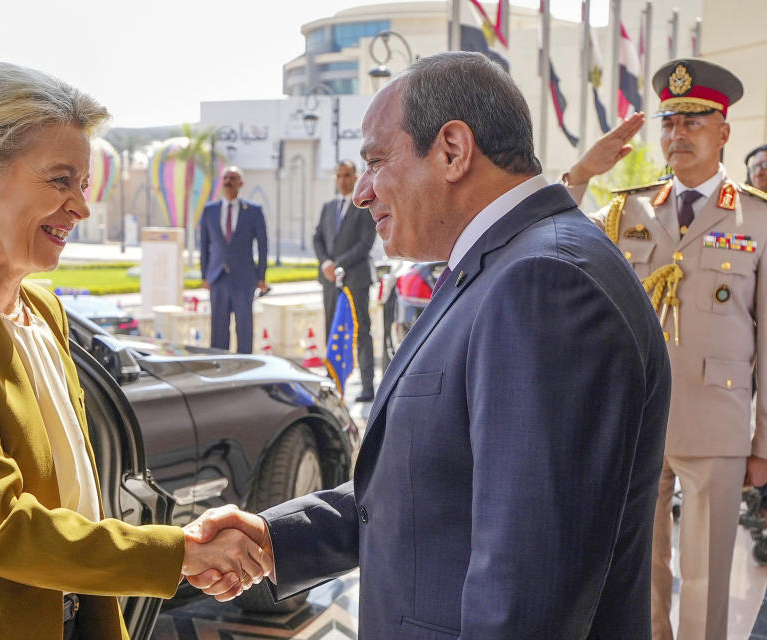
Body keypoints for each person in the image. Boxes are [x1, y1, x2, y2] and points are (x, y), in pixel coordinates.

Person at [185, 51, 671, 638]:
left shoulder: (543, 284)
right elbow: (437, 483)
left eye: (375, 161)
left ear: (452, 150)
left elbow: (526, 590)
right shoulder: (503, 266)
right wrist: (276, 537)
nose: (362, 192)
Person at [0, 62, 270, 640]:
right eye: (59, 180)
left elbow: (74, 504)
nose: (81, 207)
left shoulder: (42, 312)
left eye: (83, 184)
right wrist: (179, 553)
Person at [561, 58, 767, 640]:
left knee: (704, 585)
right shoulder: (628, 209)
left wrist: (763, 442)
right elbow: (552, 233)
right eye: (670, 121)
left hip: (717, 426)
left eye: (693, 121)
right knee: (635, 581)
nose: (677, 133)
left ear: (723, 131)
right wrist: (581, 171)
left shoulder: (757, 217)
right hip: (634, 424)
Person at [313, 160, 377, 401]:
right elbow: (317, 238)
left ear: (356, 176)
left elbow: (366, 243)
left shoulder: (364, 206)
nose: (343, 180)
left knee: (361, 332)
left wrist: (339, 263)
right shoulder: (328, 207)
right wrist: (326, 263)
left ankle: (368, 386)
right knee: (332, 330)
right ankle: (332, 381)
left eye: (348, 175)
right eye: (339, 176)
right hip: (330, 281)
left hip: (356, 280)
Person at [199, 167, 268, 353]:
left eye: (233, 178)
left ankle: (245, 366)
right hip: (218, 278)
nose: (229, 181)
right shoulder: (209, 211)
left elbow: (262, 246)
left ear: (241, 183)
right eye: (226, 178)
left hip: (244, 278)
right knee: (218, 328)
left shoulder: (253, 211)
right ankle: (219, 366)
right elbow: (204, 246)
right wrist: (204, 275)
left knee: (244, 328)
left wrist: (261, 277)